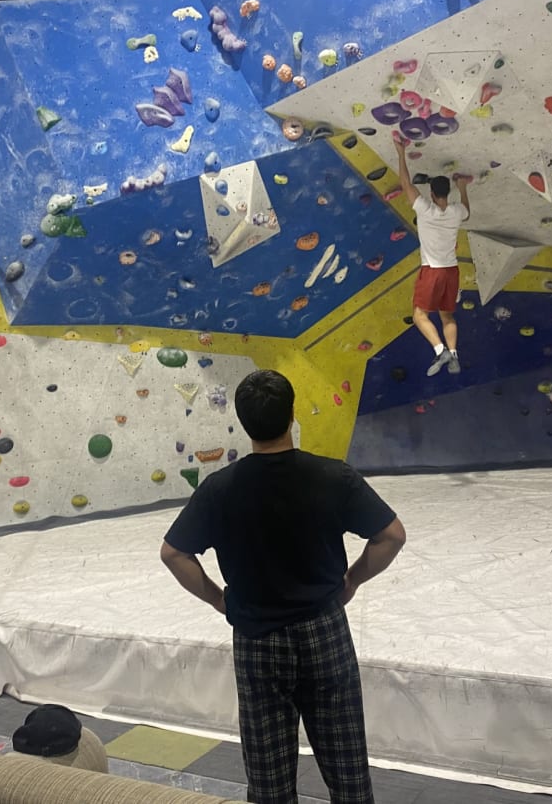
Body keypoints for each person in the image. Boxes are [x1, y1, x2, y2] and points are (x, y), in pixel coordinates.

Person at [160, 369, 406, 804]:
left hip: (256, 641)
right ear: (292, 415)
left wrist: (221, 600)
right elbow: (391, 536)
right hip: (324, 632)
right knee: (348, 773)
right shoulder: (333, 476)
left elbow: (174, 553)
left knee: (269, 782)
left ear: (241, 421)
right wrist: (352, 580)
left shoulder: (220, 489)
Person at [393, 137, 471, 376]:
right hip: (451, 271)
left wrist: (400, 153)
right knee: (447, 315)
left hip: (433, 271)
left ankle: (440, 351)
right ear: (447, 192)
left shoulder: (425, 210)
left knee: (419, 315)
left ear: (430, 192)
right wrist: (463, 187)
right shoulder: (457, 212)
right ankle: (454, 355)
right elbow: (467, 212)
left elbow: (405, 183)